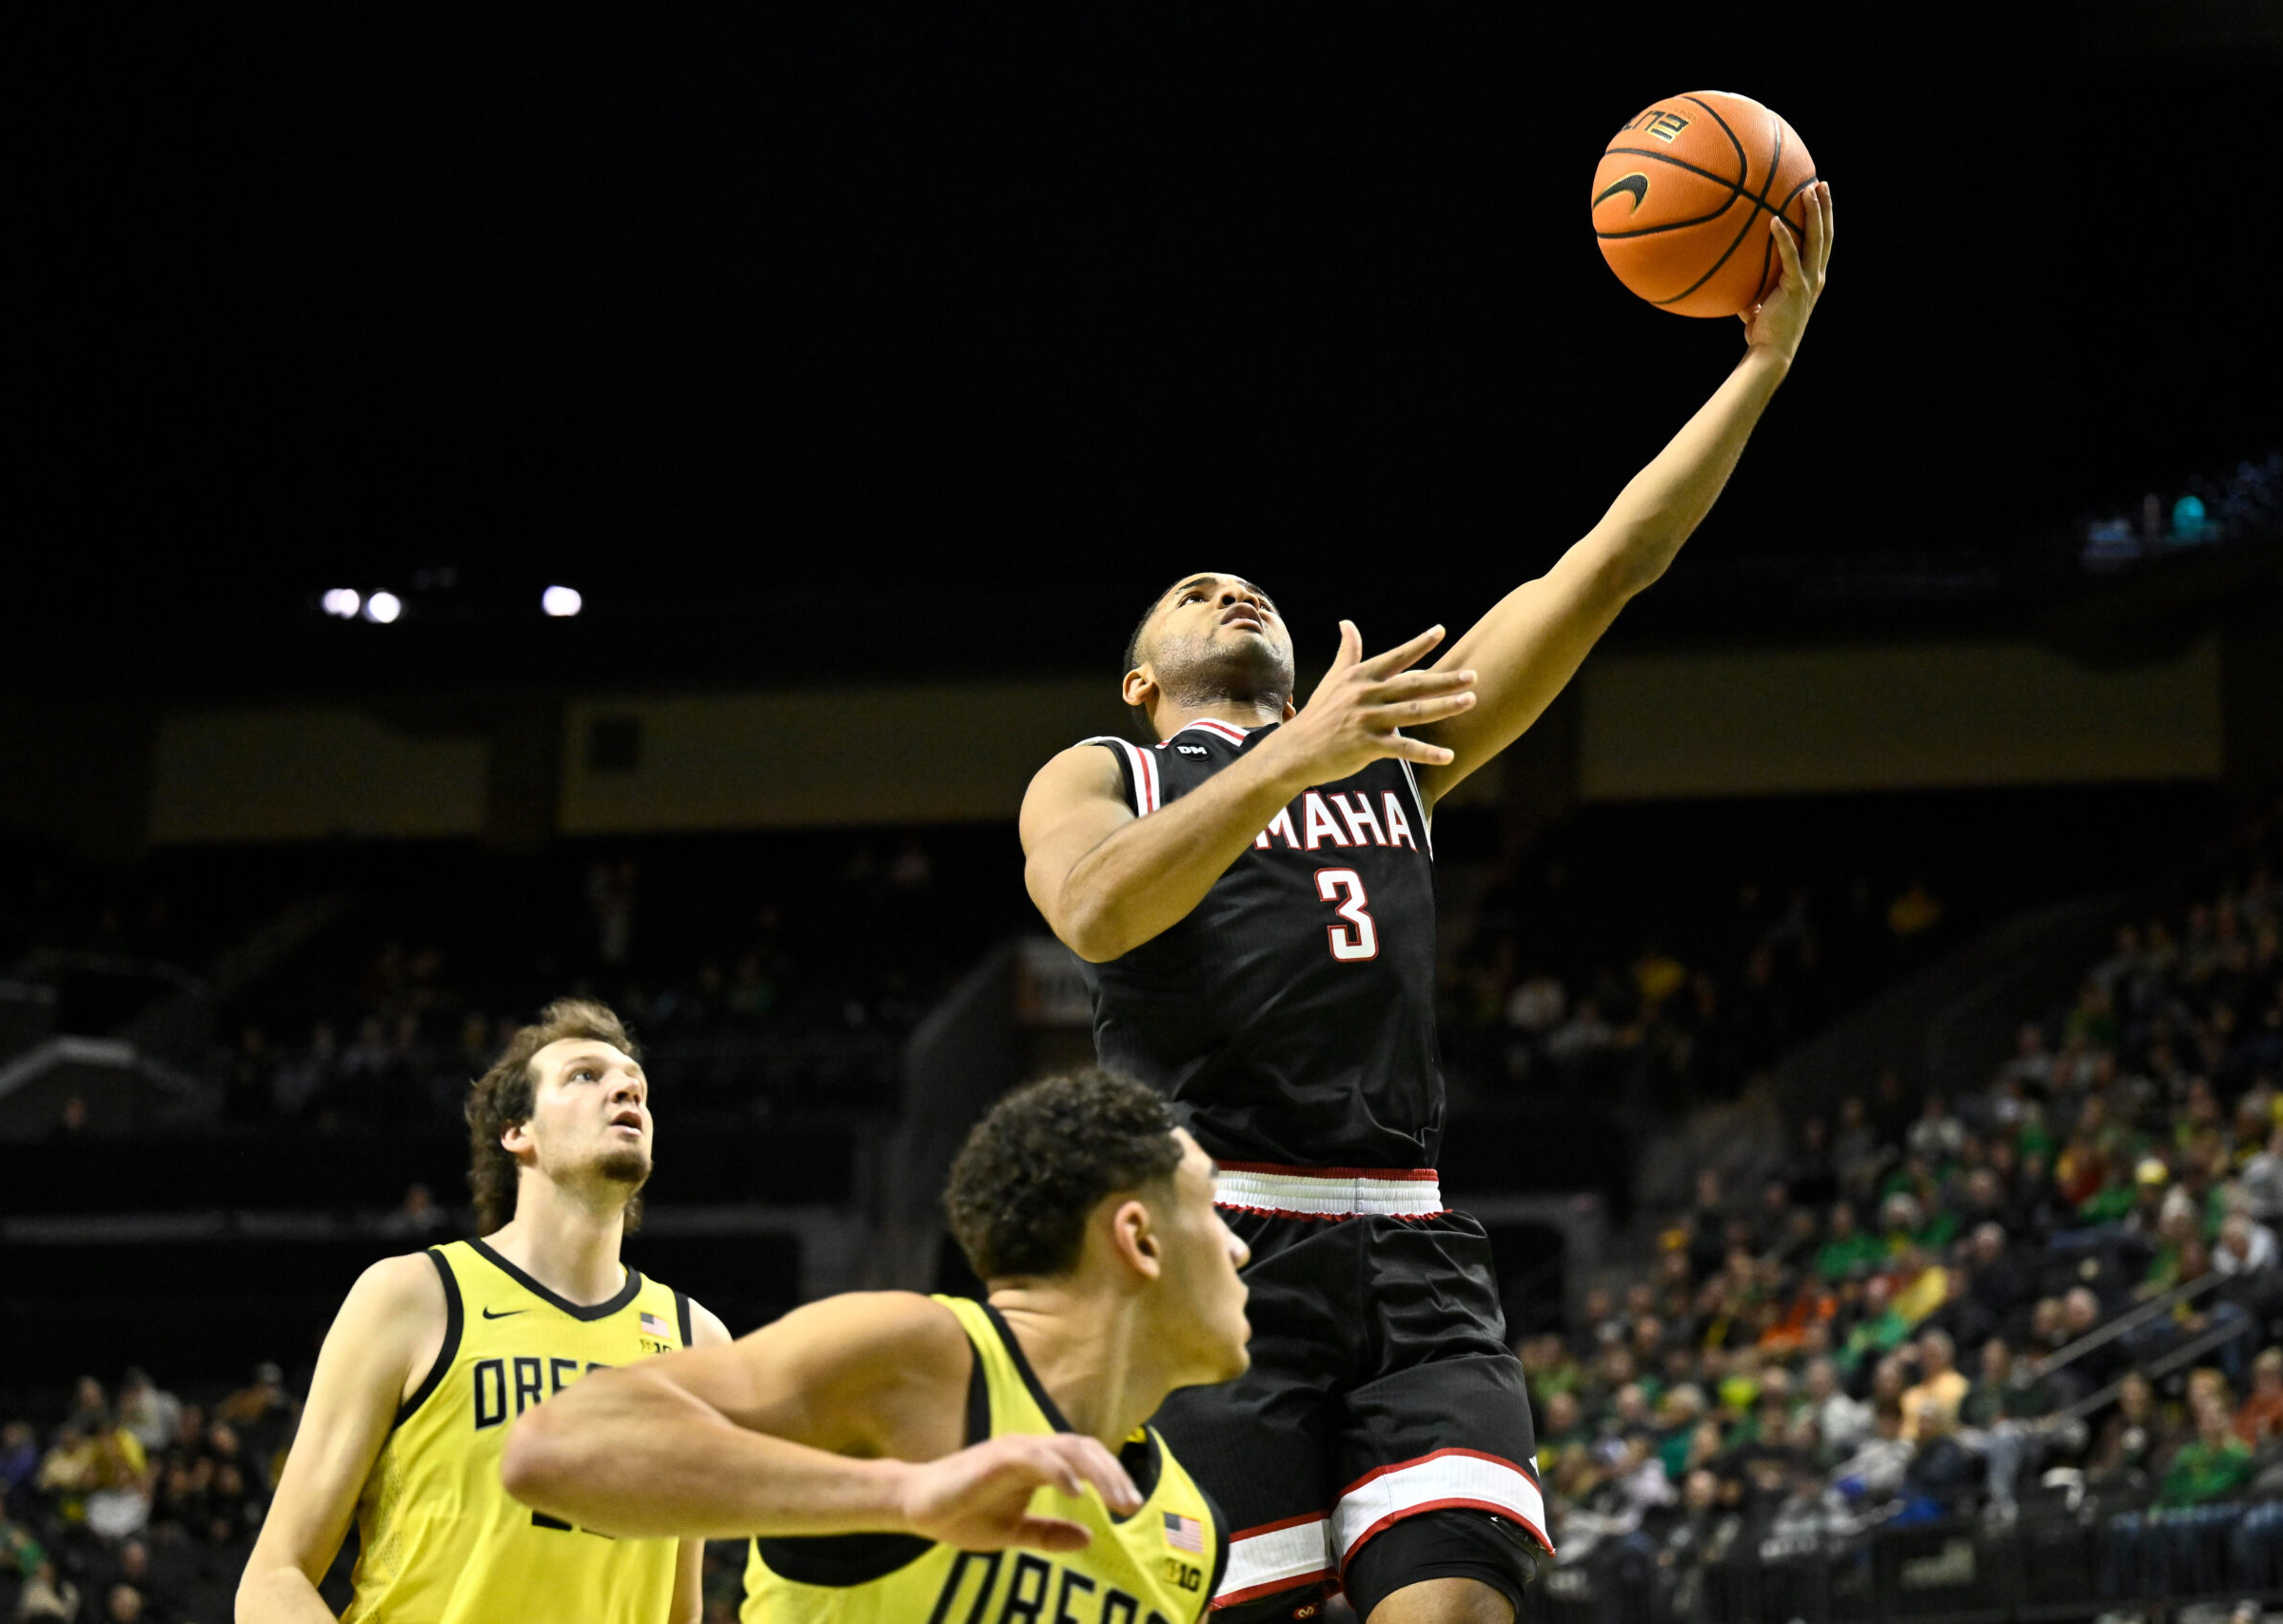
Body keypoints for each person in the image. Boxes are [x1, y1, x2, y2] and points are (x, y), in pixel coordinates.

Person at [1015, 188, 1836, 1624]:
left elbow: (1602, 569)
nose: (1227, 589)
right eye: (1192, 593)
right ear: (1141, 680)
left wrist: (1759, 365)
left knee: (1453, 1605)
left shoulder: (1391, 742)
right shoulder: (1107, 768)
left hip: (1410, 1243)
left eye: (1244, 583)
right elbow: (1091, 914)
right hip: (1216, 1254)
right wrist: (1289, 759)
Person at [501, 1070, 1246, 1624]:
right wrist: (905, 1496)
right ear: (1139, 1238)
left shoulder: (1193, 1528)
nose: (1240, 1249)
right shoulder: (925, 1354)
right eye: (1214, 1208)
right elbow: (555, 1445)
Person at [237, 999, 730, 1624]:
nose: (625, 1087)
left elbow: (674, 1612)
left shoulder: (699, 1345)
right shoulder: (413, 1297)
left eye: (637, 1084)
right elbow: (272, 1580)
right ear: (517, 1131)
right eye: (585, 1075)